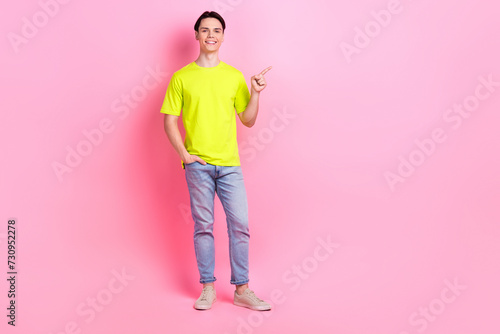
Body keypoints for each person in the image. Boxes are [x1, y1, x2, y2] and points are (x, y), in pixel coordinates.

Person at [160, 11, 272, 311]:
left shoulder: (234, 76)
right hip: (198, 166)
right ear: (196, 35)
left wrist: (256, 94)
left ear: (223, 36)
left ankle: (242, 290)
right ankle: (207, 288)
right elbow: (170, 120)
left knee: (240, 225)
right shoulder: (181, 77)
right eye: (205, 30)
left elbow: (247, 120)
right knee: (203, 226)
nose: (211, 34)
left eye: (217, 30)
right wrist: (184, 155)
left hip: (230, 166)